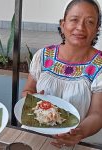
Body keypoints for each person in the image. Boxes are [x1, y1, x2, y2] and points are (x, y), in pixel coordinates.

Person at [22, 0, 102, 148]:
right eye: (74, 20)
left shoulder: (99, 65)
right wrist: (32, 100)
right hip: (34, 134)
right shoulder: (44, 55)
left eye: (90, 22)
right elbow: (28, 90)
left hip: (75, 141)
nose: (80, 27)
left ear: (97, 29)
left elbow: (97, 114)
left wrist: (79, 132)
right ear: (63, 24)